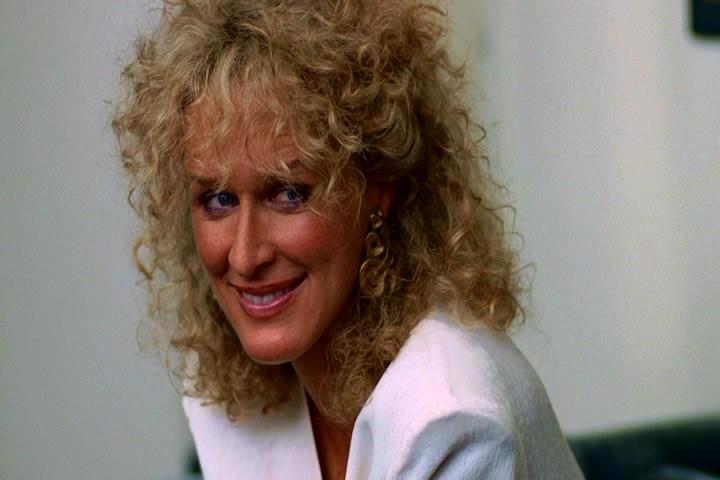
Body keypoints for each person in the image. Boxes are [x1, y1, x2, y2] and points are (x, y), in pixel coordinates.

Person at [113, 0, 584, 478]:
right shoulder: (229, 392)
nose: (245, 255)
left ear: (379, 186)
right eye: (218, 200)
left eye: (289, 194)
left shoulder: (448, 418)